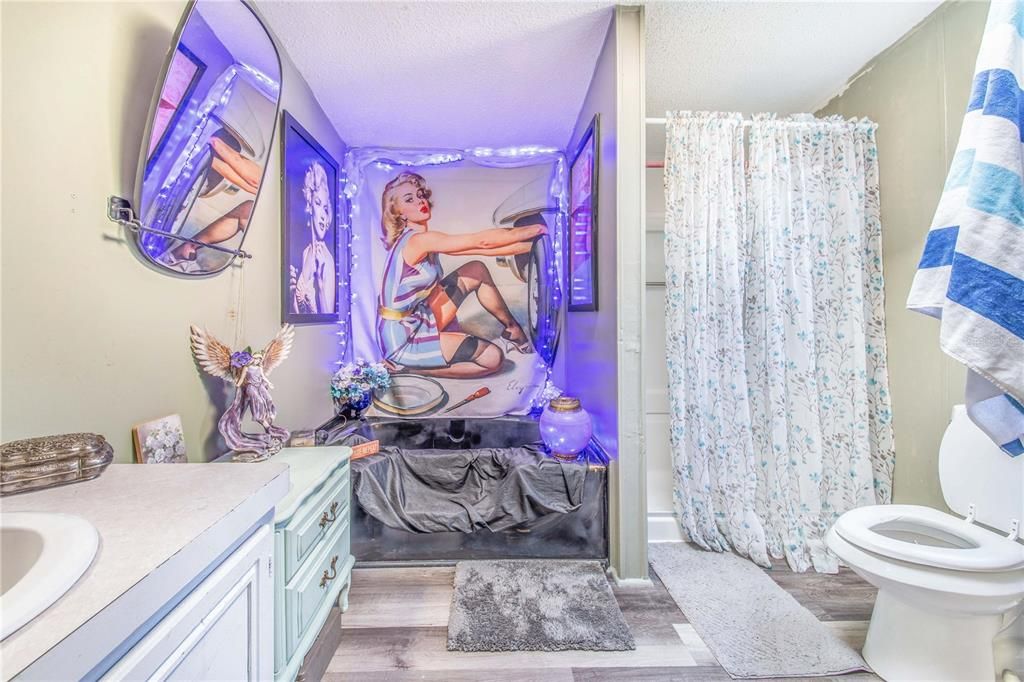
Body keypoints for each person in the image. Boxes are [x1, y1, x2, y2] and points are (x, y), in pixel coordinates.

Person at [377, 172, 543, 379]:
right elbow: (482, 242)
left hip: (418, 318)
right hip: (401, 337)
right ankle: (408, 367)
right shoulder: (418, 241)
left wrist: (535, 246)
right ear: (399, 213)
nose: (420, 201)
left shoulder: (423, 239)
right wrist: (538, 228)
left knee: (476, 269)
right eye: (409, 199)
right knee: (493, 359)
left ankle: (512, 330)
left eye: (420, 195)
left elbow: (482, 250)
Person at [289, 160, 336, 314]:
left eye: (325, 208)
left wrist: (321, 286)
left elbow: (328, 317)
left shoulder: (326, 259)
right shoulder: (305, 252)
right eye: (318, 203)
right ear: (309, 206)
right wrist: (291, 294)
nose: (323, 215)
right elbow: (299, 314)